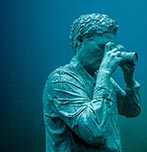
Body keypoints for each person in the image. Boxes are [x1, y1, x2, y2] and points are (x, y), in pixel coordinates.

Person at [42, 13, 141, 152]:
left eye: (109, 48)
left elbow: (132, 110)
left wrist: (129, 79)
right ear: (79, 41)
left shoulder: (100, 78)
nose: (106, 54)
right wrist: (105, 72)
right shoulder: (60, 80)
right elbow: (95, 131)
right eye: (101, 47)